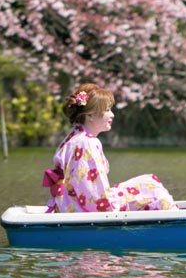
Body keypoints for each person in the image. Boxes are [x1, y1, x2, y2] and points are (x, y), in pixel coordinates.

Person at [43, 83, 175, 213]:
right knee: (150, 186)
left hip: (68, 203)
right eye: (107, 110)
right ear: (90, 115)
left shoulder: (73, 136)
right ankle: (176, 220)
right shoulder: (87, 142)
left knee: (148, 183)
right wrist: (111, 207)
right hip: (82, 208)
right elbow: (94, 195)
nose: (112, 115)